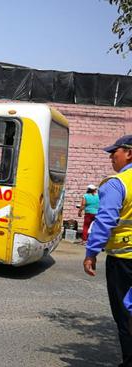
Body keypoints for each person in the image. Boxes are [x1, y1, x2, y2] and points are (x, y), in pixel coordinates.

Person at [83, 135, 132, 364]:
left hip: (124, 261)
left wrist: (91, 253)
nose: (112, 157)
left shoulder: (117, 183)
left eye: (115, 152)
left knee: (126, 315)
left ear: (129, 153)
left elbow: (105, 221)